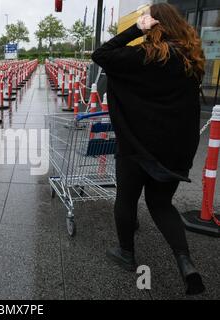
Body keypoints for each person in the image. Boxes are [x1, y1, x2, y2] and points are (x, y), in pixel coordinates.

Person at [92, 3, 206, 295]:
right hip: (173, 150)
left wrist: (135, 29)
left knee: (127, 198)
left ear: (151, 23)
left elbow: (101, 55)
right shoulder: (191, 59)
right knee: (160, 204)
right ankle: (185, 262)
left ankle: (126, 253)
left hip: (136, 145)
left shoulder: (144, 55)